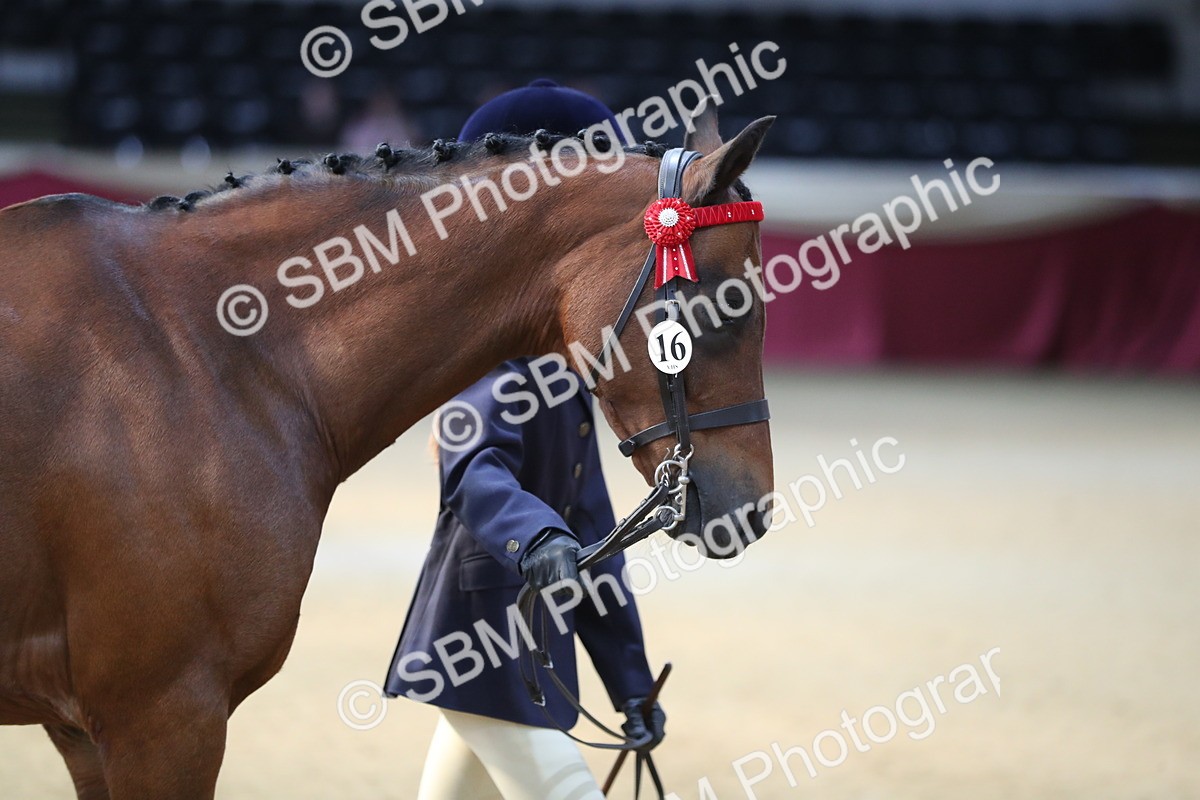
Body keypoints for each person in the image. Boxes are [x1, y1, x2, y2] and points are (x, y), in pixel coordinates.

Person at [384, 80, 666, 800]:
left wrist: (630, 684)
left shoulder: (567, 362)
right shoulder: (495, 349)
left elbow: (593, 533)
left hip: (521, 653)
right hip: (480, 641)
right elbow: (473, 468)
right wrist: (535, 538)